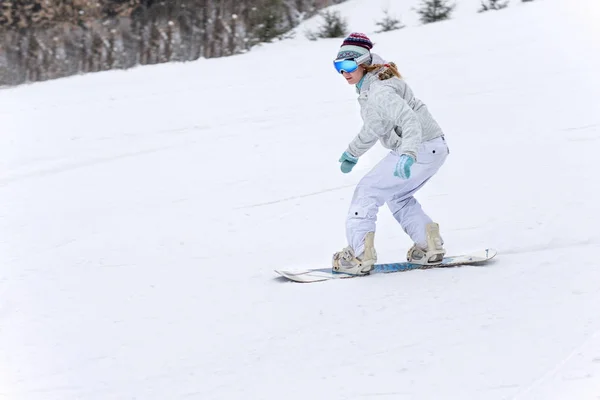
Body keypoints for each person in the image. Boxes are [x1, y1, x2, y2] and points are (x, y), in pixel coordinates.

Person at [331, 32, 450, 275]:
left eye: (348, 65)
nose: (343, 72)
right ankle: (429, 246)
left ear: (363, 62)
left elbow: (409, 121)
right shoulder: (373, 86)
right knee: (398, 196)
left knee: (367, 191)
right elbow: (376, 126)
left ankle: (358, 255)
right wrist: (352, 154)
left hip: (417, 147)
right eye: (338, 66)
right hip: (433, 146)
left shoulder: (379, 91)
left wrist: (408, 153)